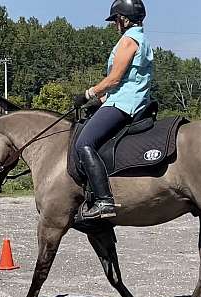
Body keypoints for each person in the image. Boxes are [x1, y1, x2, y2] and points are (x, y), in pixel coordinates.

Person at [73, 0, 153, 221]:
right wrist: (99, 101)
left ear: (124, 19)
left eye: (115, 20)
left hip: (124, 104)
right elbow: (127, 82)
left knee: (83, 143)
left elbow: (114, 79)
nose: (114, 25)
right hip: (125, 99)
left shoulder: (128, 41)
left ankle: (104, 201)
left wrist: (88, 93)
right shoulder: (142, 39)